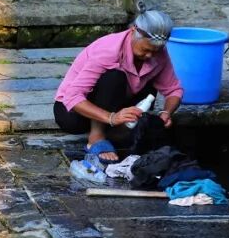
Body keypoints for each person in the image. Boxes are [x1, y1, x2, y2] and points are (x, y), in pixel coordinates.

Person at [54, 9, 183, 163]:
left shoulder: (158, 54)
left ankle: (117, 133)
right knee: (114, 76)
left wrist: (166, 111)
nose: (150, 56)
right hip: (74, 114)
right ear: (133, 31)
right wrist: (111, 117)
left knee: (150, 85)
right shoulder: (109, 50)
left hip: (117, 107)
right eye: (146, 50)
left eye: (155, 52)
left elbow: (174, 90)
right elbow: (73, 97)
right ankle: (97, 136)